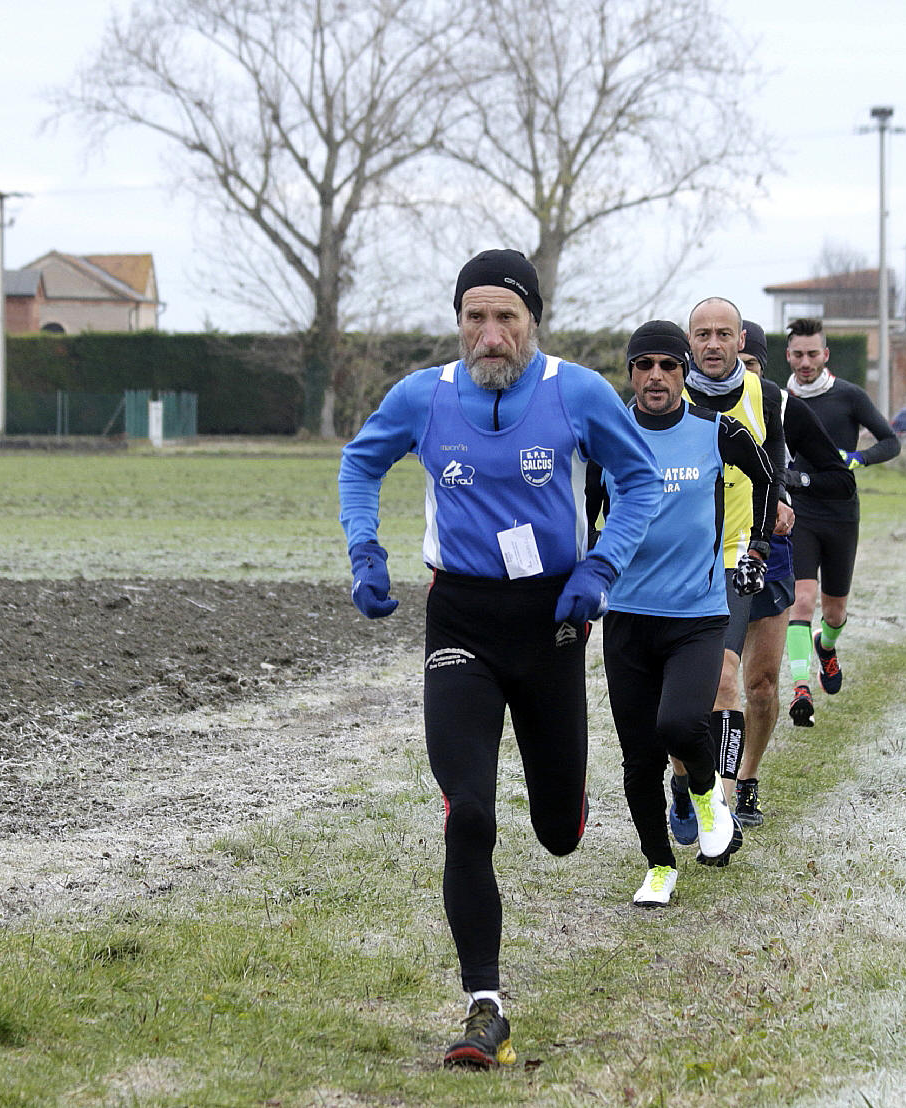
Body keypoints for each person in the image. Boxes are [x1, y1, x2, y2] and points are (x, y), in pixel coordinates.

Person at [338, 249, 662, 1069]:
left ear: (532, 324)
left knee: (556, 835)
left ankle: (570, 802)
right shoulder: (423, 397)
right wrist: (365, 552)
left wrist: (600, 565)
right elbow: (359, 462)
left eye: (505, 318)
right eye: (474, 318)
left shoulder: (577, 391)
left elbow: (642, 483)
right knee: (469, 812)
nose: (489, 335)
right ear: (458, 324)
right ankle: (485, 1004)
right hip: (462, 619)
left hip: (554, 618)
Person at [587, 321, 772, 905]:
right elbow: (585, 513)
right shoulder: (608, 439)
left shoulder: (716, 431)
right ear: (632, 373)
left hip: (696, 614)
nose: (657, 377)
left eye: (668, 365)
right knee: (638, 756)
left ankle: (707, 796)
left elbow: (766, 480)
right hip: (628, 617)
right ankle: (659, 865)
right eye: (645, 366)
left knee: (678, 724)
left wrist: (758, 548)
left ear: (683, 369)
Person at [662, 297, 781, 845]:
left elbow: (773, 471)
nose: (712, 343)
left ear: (742, 341)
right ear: (690, 342)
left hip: (734, 558)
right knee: (680, 698)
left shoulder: (767, 397)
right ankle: (683, 781)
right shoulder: (665, 393)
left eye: (723, 333)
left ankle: (723, 804)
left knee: (725, 680)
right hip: (676, 560)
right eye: (702, 334)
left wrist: (769, 525)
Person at [729, 321, 854, 825]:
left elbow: (838, 478)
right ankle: (697, 788)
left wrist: (786, 486)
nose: (744, 379)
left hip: (770, 559)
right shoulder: (691, 403)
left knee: (759, 687)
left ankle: (747, 780)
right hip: (706, 559)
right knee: (712, 686)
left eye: (753, 367)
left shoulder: (780, 404)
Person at [782, 317, 900, 727]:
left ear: (825, 355)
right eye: (798, 354)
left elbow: (891, 441)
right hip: (799, 511)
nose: (805, 361)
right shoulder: (779, 402)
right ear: (788, 355)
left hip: (841, 512)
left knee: (833, 612)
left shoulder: (848, 396)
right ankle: (800, 686)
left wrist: (859, 457)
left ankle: (825, 647)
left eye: (813, 353)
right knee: (801, 600)